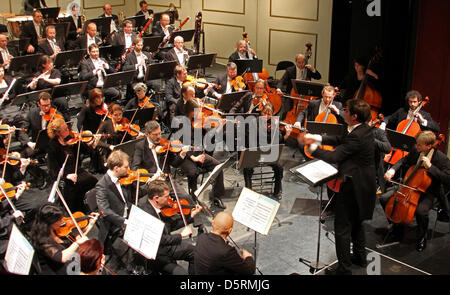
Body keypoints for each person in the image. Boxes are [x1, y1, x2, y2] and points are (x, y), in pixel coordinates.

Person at [298, 99, 376, 275]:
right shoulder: (363, 129)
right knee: (356, 223)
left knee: (342, 227)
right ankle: (360, 257)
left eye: (347, 111)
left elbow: (335, 156)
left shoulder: (357, 135)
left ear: (354, 116)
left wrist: (312, 148)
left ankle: (344, 269)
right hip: (364, 185)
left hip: (354, 186)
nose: (344, 112)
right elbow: (339, 139)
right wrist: (316, 137)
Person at [382, 131, 450, 252]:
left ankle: (422, 237)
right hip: (410, 187)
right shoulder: (416, 150)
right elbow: (403, 160)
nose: (416, 146)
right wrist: (392, 170)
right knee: (384, 198)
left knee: (420, 211)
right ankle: (397, 227)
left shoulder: (441, 159)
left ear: (429, 146)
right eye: (417, 143)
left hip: (429, 191)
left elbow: (447, 179)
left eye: (420, 145)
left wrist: (431, 167)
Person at [136, 179, 201, 275]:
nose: (170, 199)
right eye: (166, 197)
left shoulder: (156, 206)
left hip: (165, 245)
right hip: (157, 253)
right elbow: (161, 240)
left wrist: (190, 216)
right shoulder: (148, 214)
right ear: (156, 198)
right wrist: (181, 235)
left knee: (196, 252)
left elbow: (170, 226)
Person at [30, 203, 99, 275]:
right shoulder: (41, 240)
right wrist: (77, 243)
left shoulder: (56, 230)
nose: (62, 222)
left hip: (69, 263)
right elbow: (62, 257)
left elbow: (79, 238)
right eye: (59, 220)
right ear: (50, 223)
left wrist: (90, 225)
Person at [46, 118, 98, 212]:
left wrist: (91, 144)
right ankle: (78, 210)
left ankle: (91, 204)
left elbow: (86, 150)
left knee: (93, 181)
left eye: (67, 128)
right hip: (66, 175)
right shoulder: (52, 146)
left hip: (77, 170)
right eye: (65, 130)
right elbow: (53, 170)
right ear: (58, 133)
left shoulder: (72, 139)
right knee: (73, 191)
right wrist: (67, 175)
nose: (69, 131)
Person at [95, 150, 146, 244]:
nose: (129, 169)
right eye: (126, 167)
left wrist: (149, 184)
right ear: (116, 168)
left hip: (130, 214)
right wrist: (125, 222)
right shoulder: (102, 185)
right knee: (144, 239)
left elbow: (137, 195)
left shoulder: (124, 178)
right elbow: (105, 211)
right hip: (116, 223)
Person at [243, 103, 291, 200]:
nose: (266, 116)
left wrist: (286, 135)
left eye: (269, 114)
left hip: (268, 154)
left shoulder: (273, 124)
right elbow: (249, 139)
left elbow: (278, 141)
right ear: (261, 112)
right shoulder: (253, 123)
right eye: (264, 113)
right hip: (254, 152)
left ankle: (278, 191)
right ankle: (248, 191)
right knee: (247, 168)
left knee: (279, 167)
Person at [276, 53, 321, 119]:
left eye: (303, 62)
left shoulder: (308, 69)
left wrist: (313, 69)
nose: (301, 64)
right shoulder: (290, 70)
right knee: (286, 110)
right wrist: (278, 89)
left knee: (309, 110)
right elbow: (282, 80)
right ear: (296, 61)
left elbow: (318, 77)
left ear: (305, 62)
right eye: (299, 62)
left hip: (305, 96)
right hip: (292, 95)